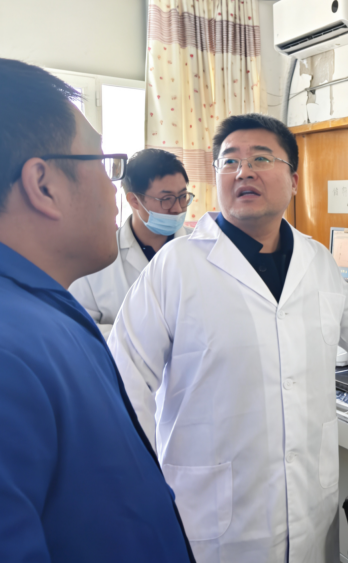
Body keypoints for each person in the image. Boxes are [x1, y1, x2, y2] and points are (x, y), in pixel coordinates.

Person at [109, 113, 348, 563]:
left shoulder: (315, 260)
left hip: (308, 507)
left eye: (261, 158)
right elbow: (124, 382)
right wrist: (141, 486)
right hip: (212, 515)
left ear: (294, 180)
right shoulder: (175, 267)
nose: (244, 171)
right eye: (229, 161)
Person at [0, 58, 194, 562]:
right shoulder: (12, 353)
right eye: (105, 165)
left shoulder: (45, 315)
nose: (113, 189)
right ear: (43, 184)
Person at [70, 148, 194, 338]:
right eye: (167, 199)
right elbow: (79, 326)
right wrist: (138, 341)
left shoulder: (202, 247)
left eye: (183, 197)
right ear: (134, 200)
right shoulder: (93, 259)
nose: (178, 208)